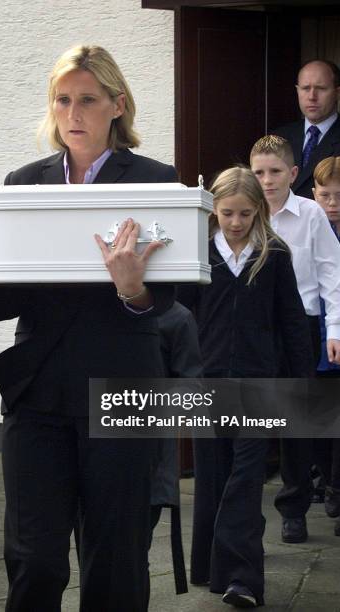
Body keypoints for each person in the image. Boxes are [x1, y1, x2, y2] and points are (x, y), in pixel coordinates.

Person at [0, 45, 180, 612]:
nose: (73, 112)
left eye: (87, 99)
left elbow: (176, 298)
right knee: (34, 558)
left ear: (118, 105)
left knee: (115, 560)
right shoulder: (24, 182)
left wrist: (133, 288)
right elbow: (6, 294)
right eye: (63, 100)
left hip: (123, 390)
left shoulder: (156, 180)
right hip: (38, 390)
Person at [178, 166, 312, 608]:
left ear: (259, 212)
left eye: (246, 214)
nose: (236, 222)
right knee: (212, 475)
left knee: (246, 477)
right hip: (207, 381)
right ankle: (209, 566)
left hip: (260, 383)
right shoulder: (199, 254)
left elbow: (292, 321)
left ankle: (242, 579)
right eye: (228, 213)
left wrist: (301, 383)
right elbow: (179, 318)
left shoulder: (273, 255)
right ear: (213, 211)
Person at [250, 135, 340, 545]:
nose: (266, 181)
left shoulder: (310, 215)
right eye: (258, 172)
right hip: (254, 328)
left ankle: (294, 509)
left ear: (294, 173)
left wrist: (334, 330)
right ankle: (244, 509)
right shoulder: (243, 214)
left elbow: (330, 274)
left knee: (298, 422)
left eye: (274, 172)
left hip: (300, 327)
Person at [312, 157, 340, 532]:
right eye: (325, 195)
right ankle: (320, 477)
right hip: (316, 329)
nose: (332, 203)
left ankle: (336, 487)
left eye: (339, 195)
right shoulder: (309, 225)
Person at [273, 59, 340, 200]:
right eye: (305, 88)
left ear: (337, 92)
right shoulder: (279, 138)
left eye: (321, 89)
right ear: (297, 91)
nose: (312, 97)